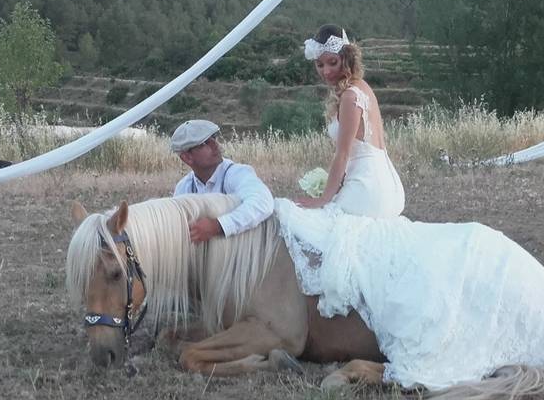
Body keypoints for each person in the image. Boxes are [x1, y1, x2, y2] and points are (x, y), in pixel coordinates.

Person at [295, 25, 405, 218]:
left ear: (346, 59)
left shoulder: (350, 96)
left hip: (368, 189)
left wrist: (324, 199)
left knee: (304, 219)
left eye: (332, 62)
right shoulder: (362, 87)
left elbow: (343, 154)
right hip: (386, 184)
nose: (326, 71)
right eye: (320, 65)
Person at [171, 119, 275, 243]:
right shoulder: (184, 188)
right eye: (204, 143)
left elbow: (262, 203)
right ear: (187, 157)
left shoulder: (237, 173)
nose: (215, 145)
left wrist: (218, 226)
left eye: (214, 138)